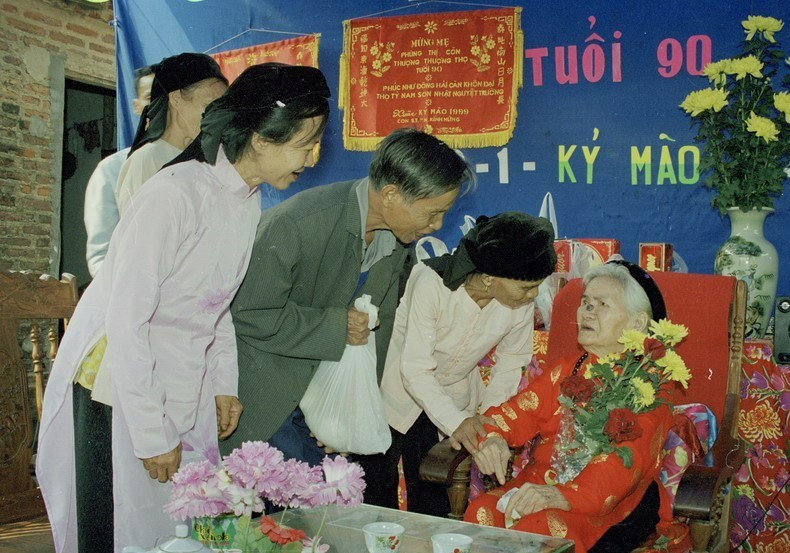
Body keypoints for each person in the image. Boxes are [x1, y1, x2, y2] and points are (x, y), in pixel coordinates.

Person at [37, 63, 331, 553]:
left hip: (180, 378)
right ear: (261, 138)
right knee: (120, 531)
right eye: (307, 143)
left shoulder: (245, 198)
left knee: (178, 526)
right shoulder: (175, 195)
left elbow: (216, 305)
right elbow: (126, 320)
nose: (313, 156)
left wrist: (224, 383)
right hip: (120, 389)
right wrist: (151, 433)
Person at [223, 128, 475, 474]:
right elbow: (248, 312)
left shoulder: (396, 241)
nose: (437, 225)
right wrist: (336, 326)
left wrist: (346, 416)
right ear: (390, 194)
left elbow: (379, 332)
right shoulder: (298, 223)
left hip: (321, 405)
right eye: (432, 213)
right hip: (265, 402)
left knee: (328, 502)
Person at [464, 261, 674, 552]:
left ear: (637, 323)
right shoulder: (567, 370)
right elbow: (512, 415)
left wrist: (560, 496)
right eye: (586, 302)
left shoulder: (647, 386)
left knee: (540, 531)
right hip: (542, 482)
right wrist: (493, 438)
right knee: (482, 512)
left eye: (602, 304)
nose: (587, 311)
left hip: (608, 502)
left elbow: (620, 467)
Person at [373, 212, 557, 516]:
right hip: (391, 394)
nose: (533, 295)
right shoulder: (431, 283)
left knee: (433, 503)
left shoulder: (519, 304)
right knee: (377, 494)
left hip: (449, 403)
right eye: (527, 287)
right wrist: (457, 422)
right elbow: (415, 369)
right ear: (489, 277)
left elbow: (511, 362)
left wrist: (489, 421)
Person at [115, 52, 228, 213]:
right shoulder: (146, 160)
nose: (217, 117)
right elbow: (139, 227)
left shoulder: (212, 159)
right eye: (209, 106)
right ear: (175, 98)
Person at [84, 65, 154, 277]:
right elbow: (101, 256)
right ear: (137, 106)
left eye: (165, 97)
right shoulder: (113, 170)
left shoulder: (198, 166)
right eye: (150, 97)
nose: (159, 105)